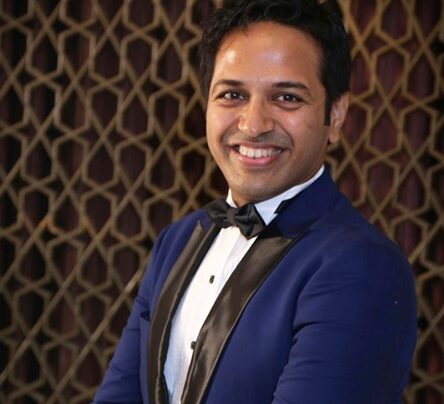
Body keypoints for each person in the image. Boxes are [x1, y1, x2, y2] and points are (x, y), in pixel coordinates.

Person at [94, 0, 417, 403]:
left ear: (335, 115)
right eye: (232, 94)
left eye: (287, 98)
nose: (253, 125)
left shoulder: (362, 266)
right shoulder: (175, 241)